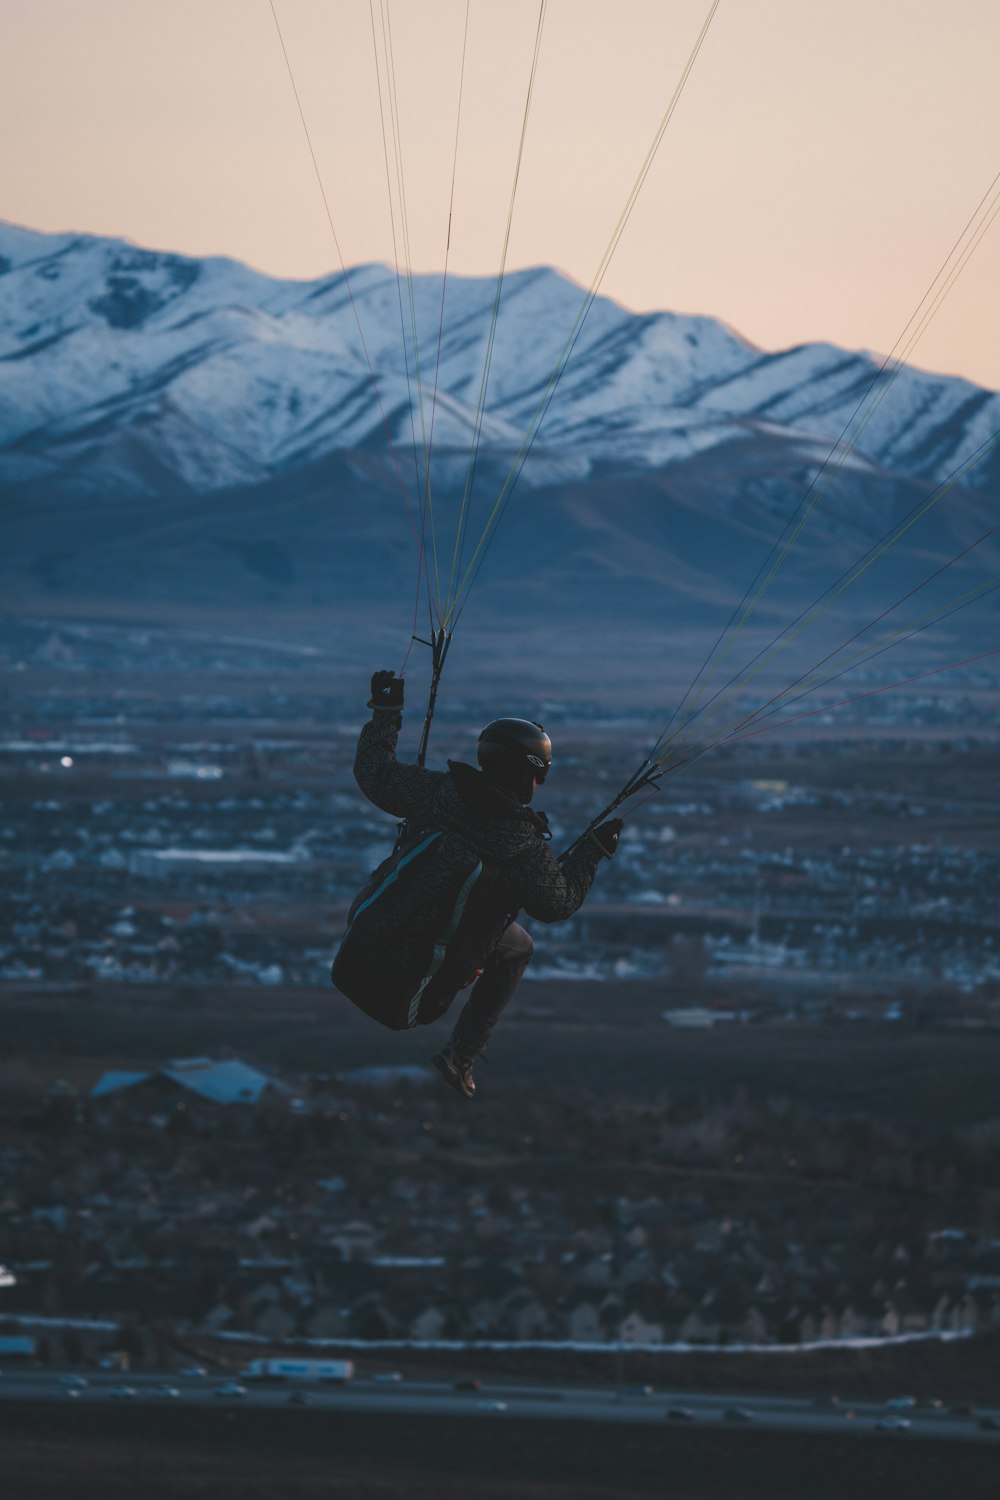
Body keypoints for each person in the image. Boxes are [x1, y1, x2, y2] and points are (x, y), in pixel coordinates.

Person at [348, 669, 623, 1098]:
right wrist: (592, 853)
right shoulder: (522, 848)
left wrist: (387, 712)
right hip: (409, 1001)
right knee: (519, 949)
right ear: (526, 774)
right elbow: (558, 904)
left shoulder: (440, 793)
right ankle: (461, 1055)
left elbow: (375, 774)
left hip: (356, 955)